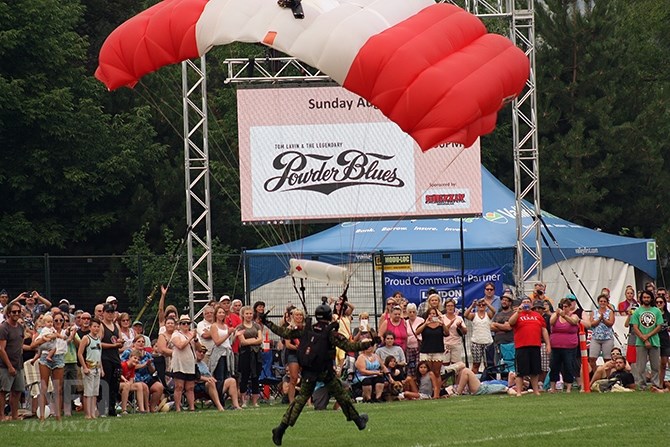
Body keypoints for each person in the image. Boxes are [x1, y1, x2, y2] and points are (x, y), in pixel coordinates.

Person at [260, 301, 374, 446]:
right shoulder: (331, 333)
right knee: (341, 395)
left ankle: (281, 429)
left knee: (300, 400)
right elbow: (350, 346)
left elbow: (283, 332)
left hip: (309, 371)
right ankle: (358, 421)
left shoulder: (307, 329)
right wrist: (369, 343)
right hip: (325, 371)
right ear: (328, 316)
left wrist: (266, 322)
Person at [509, 297, 551, 396]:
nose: (526, 304)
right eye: (524, 302)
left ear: (531, 305)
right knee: (520, 371)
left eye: (528, 302)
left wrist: (548, 344)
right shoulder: (518, 315)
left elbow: (544, 330)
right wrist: (518, 312)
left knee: (535, 371)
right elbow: (511, 322)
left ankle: (536, 391)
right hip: (521, 346)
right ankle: (519, 392)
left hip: (535, 345)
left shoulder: (537, 316)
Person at [33, 311, 68, 420]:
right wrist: (45, 338)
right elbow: (34, 343)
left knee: (58, 388)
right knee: (44, 386)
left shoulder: (64, 331)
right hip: (45, 356)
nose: (57, 322)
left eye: (60, 320)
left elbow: (69, 337)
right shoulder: (44, 330)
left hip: (59, 358)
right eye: (55, 320)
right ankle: (42, 415)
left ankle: (58, 415)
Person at [630, 290, 663, 390]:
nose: (646, 299)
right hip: (640, 342)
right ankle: (642, 386)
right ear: (641, 299)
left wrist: (647, 336)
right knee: (640, 366)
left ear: (651, 298)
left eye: (648, 297)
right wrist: (644, 339)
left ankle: (655, 385)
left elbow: (659, 326)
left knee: (655, 366)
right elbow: (635, 327)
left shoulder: (656, 311)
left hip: (654, 341)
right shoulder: (637, 312)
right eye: (644, 297)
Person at [121, 336, 163, 412]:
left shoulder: (147, 354)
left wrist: (149, 365)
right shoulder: (128, 353)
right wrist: (144, 364)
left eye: (143, 342)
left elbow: (153, 371)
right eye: (139, 341)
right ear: (134, 343)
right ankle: (144, 408)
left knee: (159, 387)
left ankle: (152, 408)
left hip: (147, 377)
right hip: (135, 378)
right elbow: (126, 365)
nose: (141, 343)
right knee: (143, 386)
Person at [194, 345, 242, 411]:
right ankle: (219, 406)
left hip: (212, 382)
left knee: (232, 380)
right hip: (200, 385)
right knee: (210, 382)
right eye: (199, 351)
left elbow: (210, 375)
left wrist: (211, 378)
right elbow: (194, 376)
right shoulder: (193, 363)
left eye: (204, 352)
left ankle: (236, 405)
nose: (202, 353)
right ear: (194, 352)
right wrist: (207, 379)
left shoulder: (204, 364)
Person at [0, 302, 25, 421]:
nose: (16, 314)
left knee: (18, 390)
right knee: (3, 391)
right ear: (8, 313)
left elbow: (20, 344)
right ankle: (1, 416)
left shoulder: (20, 327)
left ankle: (14, 415)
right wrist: (9, 366)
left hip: (18, 364)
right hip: (5, 365)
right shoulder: (4, 328)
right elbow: (1, 349)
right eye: (14, 312)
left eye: (18, 312)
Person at [548, 298, 579, 393]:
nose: (564, 308)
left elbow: (574, 322)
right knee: (554, 366)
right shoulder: (555, 315)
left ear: (570, 307)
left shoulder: (574, 316)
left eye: (566, 306)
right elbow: (551, 322)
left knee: (569, 366)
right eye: (562, 306)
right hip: (556, 346)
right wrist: (557, 314)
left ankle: (568, 387)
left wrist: (564, 316)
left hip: (569, 347)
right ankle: (553, 387)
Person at [170, 314, 200, 412]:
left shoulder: (192, 334)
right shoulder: (176, 334)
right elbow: (180, 345)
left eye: (187, 323)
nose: (186, 325)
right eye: (183, 323)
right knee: (179, 386)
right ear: (179, 324)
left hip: (190, 363)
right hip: (179, 364)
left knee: (190, 387)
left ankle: (192, 407)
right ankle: (178, 407)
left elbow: (200, 348)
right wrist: (190, 338)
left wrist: (195, 339)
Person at [235, 305, 263, 407]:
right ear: (243, 314)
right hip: (245, 354)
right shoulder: (240, 327)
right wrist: (254, 340)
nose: (249, 315)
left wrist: (251, 341)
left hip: (256, 354)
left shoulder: (257, 326)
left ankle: (255, 401)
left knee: (256, 377)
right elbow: (243, 342)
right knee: (244, 377)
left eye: (250, 313)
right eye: (247, 313)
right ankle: (244, 401)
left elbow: (260, 339)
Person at [100, 302, 123, 417]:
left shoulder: (116, 326)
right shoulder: (101, 326)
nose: (110, 314)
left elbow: (120, 339)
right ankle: (103, 408)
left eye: (111, 312)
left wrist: (119, 343)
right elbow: (98, 343)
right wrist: (113, 346)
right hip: (105, 358)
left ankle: (112, 408)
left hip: (115, 358)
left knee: (115, 385)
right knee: (105, 383)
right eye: (108, 312)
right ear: (103, 313)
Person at [415, 307, 448, 385]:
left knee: (437, 372)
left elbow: (447, 333)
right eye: (430, 313)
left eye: (434, 314)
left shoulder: (440, 325)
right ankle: (428, 389)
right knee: (428, 372)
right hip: (426, 351)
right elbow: (417, 332)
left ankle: (437, 390)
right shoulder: (424, 324)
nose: (432, 315)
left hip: (438, 350)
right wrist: (426, 324)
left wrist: (443, 323)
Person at [77, 317, 102, 420]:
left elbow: (100, 354)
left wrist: (102, 368)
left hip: (97, 367)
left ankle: (93, 412)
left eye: (98, 327)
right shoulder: (86, 338)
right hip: (89, 367)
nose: (96, 329)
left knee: (95, 392)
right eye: (94, 326)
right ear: (90, 327)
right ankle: (88, 414)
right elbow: (80, 353)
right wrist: (84, 367)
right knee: (88, 392)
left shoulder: (99, 339)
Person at [209, 304, 234, 402]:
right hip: (219, 354)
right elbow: (217, 342)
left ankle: (223, 396)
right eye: (219, 312)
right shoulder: (214, 326)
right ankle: (218, 399)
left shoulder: (225, 326)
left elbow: (229, 341)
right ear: (216, 314)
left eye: (223, 312)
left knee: (226, 376)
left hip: (227, 353)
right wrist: (228, 334)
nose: (221, 314)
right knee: (219, 377)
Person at [464, 298, 494, 373]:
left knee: (489, 364)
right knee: (476, 364)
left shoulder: (488, 315)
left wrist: (487, 303)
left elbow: (494, 311)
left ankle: (488, 379)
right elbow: (465, 315)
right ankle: (473, 380)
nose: (481, 306)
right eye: (479, 305)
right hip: (476, 342)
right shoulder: (474, 315)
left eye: (483, 305)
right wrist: (472, 306)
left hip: (488, 342)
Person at [589, 293, 616, 374]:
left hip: (607, 338)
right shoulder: (594, 312)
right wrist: (599, 319)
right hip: (596, 337)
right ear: (598, 302)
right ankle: (596, 374)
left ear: (607, 302)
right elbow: (591, 323)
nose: (602, 303)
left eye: (604, 301)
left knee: (607, 359)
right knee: (592, 358)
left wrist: (603, 319)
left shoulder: (610, 312)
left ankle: (607, 375)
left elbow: (611, 323)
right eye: (601, 301)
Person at [283, 307, 305, 403]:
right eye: (297, 315)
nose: (299, 317)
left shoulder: (305, 328)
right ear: (292, 316)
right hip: (293, 355)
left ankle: (307, 401)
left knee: (306, 378)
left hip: (304, 355)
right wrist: (298, 348)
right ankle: (291, 401)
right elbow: (288, 344)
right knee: (294, 378)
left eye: (301, 315)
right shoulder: (289, 328)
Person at [490, 292, 515, 371]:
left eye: (506, 300)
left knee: (510, 365)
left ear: (510, 303)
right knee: (498, 365)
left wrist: (496, 325)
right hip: (498, 343)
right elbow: (491, 327)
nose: (504, 302)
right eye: (503, 300)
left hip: (509, 343)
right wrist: (502, 326)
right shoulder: (497, 315)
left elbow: (508, 327)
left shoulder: (513, 314)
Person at [119, 350, 146, 414]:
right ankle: (124, 409)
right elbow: (119, 374)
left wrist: (130, 383)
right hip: (118, 383)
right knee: (127, 385)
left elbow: (131, 378)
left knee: (139, 385)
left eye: (138, 359)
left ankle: (141, 409)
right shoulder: (123, 365)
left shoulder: (133, 367)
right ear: (130, 357)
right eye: (135, 358)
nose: (136, 360)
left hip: (127, 383)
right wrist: (125, 380)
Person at [442, 298, 467, 365]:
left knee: (456, 365)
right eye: (448, 306)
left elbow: (465, 332)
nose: (450, 307)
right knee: (445, 364)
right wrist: (450, 323)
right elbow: (442, 331)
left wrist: (460, 326)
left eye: (452, 306)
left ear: (454, 307)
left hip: (456, 344)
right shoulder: (442, 318)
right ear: (445, 307)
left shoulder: (459, 318)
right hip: (445, 344)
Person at [404, 303, 424, 377]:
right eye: (410, 312)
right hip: (409, 348)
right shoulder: (405, 322)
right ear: (407, 313)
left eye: (413, 312)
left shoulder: (421, 320)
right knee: (410, 366)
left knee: (418, 365)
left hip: (419, 347)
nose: (412, 314)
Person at [655, 293, 670, 387]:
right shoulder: (653, 314)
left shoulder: (668, 315)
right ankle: (656, 382)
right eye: (657, 302)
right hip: (655, 339)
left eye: (661, 302)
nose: (659, 304)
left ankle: (661, 383)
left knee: (664, 363)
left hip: (665, 340)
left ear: (664, 303)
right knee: (655, 363)